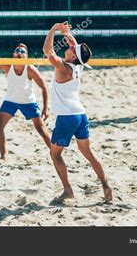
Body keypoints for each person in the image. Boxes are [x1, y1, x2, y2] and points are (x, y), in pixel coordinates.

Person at [43, 21, 112, 203]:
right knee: (88, 153)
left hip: (67, 117)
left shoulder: (64, 68)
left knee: (55, 154)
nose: (71, 47)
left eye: (73, 49)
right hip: (81, 115)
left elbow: (48, 51)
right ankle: (106, 186)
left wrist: (54, 30)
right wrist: (66, 33)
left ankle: (68, 191)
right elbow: (74, 45)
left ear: (73, 56)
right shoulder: (78, 65)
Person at [0, 43, 52, 160]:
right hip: (11, 100)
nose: (19, 53)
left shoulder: (30, 69)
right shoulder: (8, 65)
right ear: (13, 54)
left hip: (28, 102)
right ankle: (3, 157)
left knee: (42, 131)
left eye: (22, 51)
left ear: (27, 56)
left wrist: (45, 108)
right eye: (17, 50)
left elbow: (44, 87)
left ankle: (56, 153)